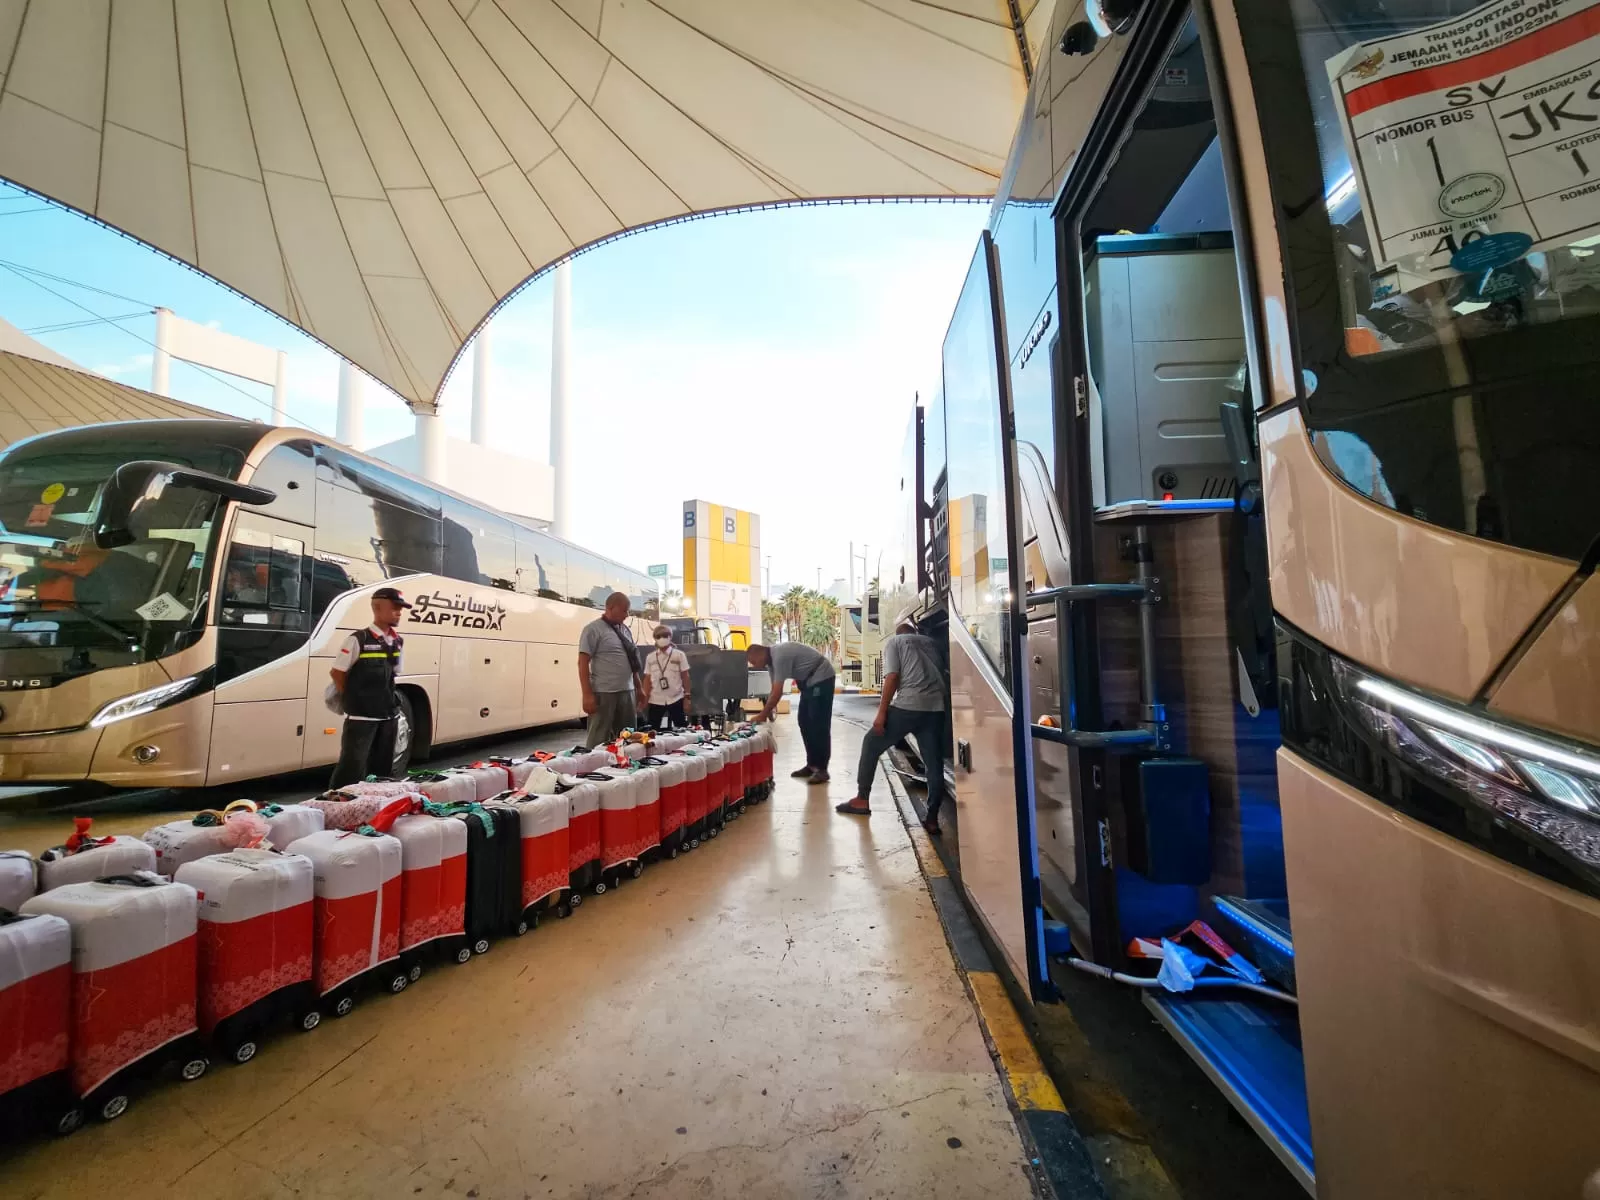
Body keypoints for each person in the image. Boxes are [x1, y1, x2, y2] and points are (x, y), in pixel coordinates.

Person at [834, 613, 949, 832]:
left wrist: (881, 712)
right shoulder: (932, 643)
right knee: (934, 764)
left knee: (871, 744)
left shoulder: (895, 642)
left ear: (899, 633)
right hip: (935, 708)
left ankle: (862, 799)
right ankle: (932, 817)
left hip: (908, 706)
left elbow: (893, 677)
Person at [329, 586, 409, 788]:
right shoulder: (358, 639)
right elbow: (337, 673)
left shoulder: (397, 642)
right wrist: (354, 699)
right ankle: (338, 805)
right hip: (362, 718)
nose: (399, 613)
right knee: (351, 768)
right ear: (377, 608)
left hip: (388, 716)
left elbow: (394, 674)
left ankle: (375, 807)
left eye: (401, 609)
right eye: (395, 608)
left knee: (381, 770)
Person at [747, 641, 836, 782]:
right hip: (808, 682)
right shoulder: (771, 664)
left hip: (821, 677)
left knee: (818, 723)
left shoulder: (779, 656)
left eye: (753, 661)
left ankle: (822, 769)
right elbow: (773, 689)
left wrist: (762, 714)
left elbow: (778, 692)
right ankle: (812, 765)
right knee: (804, 721)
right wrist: (768, 712)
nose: (754, 665)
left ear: (760, 654)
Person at [578, 591, 642, 747]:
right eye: (624, 610)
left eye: (628, 610)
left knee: (628, 738)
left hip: (627, 691)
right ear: (610, 607)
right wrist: (587, 695)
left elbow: (631, 661)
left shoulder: (625, 630)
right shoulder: (593, 629)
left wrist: (639, 687)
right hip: (604, 693)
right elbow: (582, 662)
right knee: (599, 739)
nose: (627, 614)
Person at [641, 625, 692, 729]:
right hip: (655, 699)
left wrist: (687, 697)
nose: (662, 639)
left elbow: (685, 676)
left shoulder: (679, 655)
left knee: (681, 728)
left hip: (676, 698)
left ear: (670, 637)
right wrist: (644, 698)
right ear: (655, 638)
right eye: (658, 636)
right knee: (652, 730)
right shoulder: (650, 657)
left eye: (665, 636)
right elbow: (647, 679)